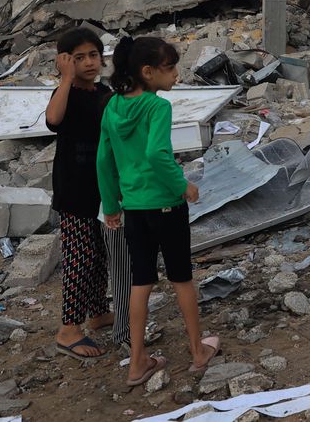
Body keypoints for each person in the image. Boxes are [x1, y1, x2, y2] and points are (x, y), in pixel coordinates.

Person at [97, 37, 219, 387]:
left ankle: (137, 362)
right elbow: (156, 154)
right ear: (147, 72)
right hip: (166, 204)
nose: (177, 75)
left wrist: (111, 205)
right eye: (170, 68)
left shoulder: (112, 107)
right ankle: (198, 352)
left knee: (141, 281)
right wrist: (183, 185)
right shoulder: (157, 107)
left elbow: (103, 160)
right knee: (181, 277)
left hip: (134, 208)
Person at [47, 28, 128, 360]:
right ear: (64, 62)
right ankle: (68, 329)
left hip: (103, 187)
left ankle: (97, 313)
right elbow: (53, 120)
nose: (88, 62)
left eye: (93, 55)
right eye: (78, 58)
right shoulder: (64, 93)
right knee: (79, 258)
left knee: (99, 253)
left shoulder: (103, 92)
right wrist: (66, 78)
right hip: (74, 189)